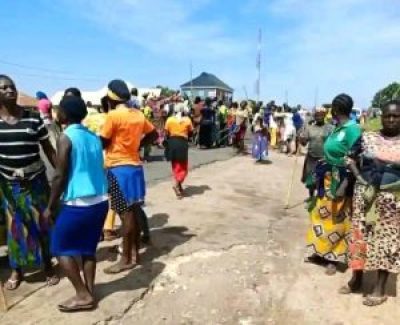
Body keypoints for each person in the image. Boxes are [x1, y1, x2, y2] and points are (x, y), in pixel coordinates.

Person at [45, 95, 108, 312]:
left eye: (59, 109)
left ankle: (82, 295)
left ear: (64, 114)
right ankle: (89, 291)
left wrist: (50, 205)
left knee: (60, 248)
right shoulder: (92, 136)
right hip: (100, 200)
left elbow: (59, 175)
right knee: (88, 249)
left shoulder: (66, 137)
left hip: (78, 203)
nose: (56, 112)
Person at [0, 75, 59, 290]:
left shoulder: (33, 118)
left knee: (42, 223)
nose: (9, 90)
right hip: (9, 185)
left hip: (36, 182)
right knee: (15, 229)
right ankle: (17, 270)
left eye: (12, 87)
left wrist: (61, 174)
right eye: (3, 87)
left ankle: (48, 265)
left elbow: (49, 150)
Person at [340, 100, 400, 306]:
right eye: (387, 115)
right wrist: (360, 177)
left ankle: (380, 287)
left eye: (396, 116)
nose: (391, 119)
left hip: (392, 204)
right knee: (360, 235)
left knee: (386, 242)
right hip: (365, 197)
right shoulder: (367, 137)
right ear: (381, 116)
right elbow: (349, 158)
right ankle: (357, 278)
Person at [100, 79, 157, 274]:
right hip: (134, 168)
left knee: (125, 216)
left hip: (117, 169)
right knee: (132, 211)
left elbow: (102, 142)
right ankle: (133, 255)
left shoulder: (113, 116)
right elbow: (154, 134)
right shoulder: (138, 115)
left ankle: (126, 258)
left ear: (110, 98)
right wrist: (137, 146)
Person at [306, 94, 361, 275]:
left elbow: (356, 158)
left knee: (337, 220)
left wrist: (345, 184)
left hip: (340, 180)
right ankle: (320, 252)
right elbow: (332, 151)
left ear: (335, 109)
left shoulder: (352, 129)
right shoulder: (338, 127)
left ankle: (334, 259)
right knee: (320, 215)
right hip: (327, 178)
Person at [299, 108, 334, 198]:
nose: (319, 117)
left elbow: (333, 142)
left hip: (324, 158)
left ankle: (319, 198)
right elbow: (304, 143)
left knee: (321, 180)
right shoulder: (309, 128)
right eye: (317, 115)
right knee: (311, 180)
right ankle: (311, 196)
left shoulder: (330, 128)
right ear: (314, 116)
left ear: (324, 115)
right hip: (311, 157)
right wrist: (301, 139)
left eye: (321, 115)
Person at [165, 105, 193, 199]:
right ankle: (177, 184)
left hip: (172, 143)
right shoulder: (187, 120)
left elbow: (166, 133)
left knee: (175, 165)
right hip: (182, 143)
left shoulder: (169, 120)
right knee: (183, 166)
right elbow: (191, 132)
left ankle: (179, 186)